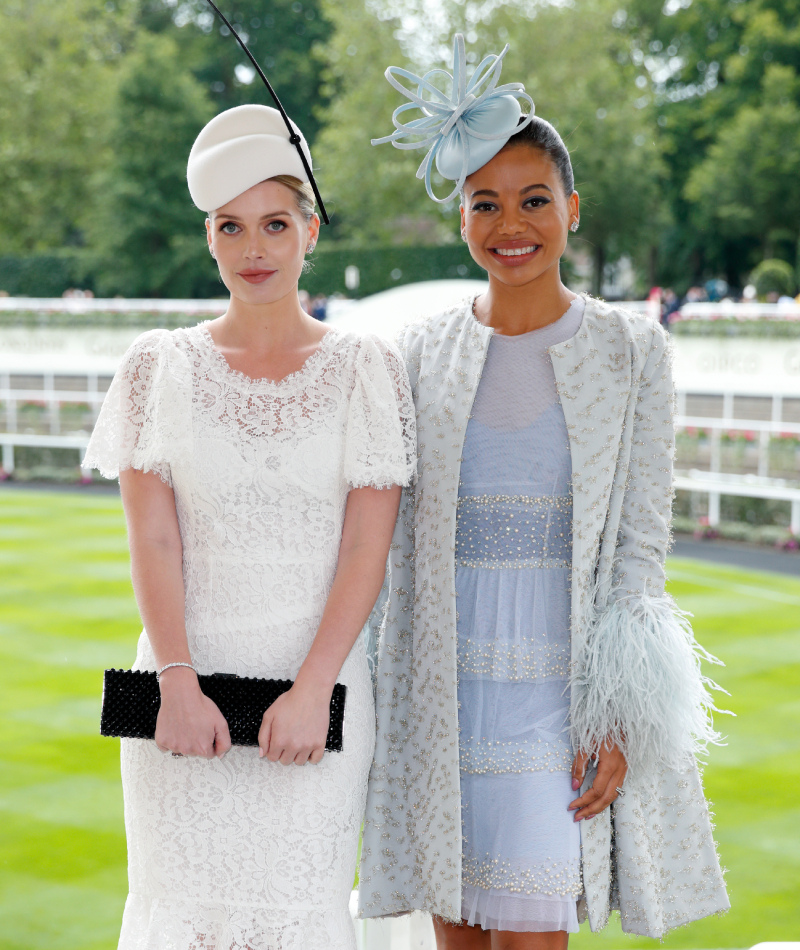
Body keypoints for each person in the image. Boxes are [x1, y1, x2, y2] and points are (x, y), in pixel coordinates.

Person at [359, 35, 729, 946]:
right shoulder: (419, 352)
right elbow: (391, 537)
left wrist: (623, 715)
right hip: (443, 690)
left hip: (557, 698)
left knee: (532, 933)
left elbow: (640, 550)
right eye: (484, 204)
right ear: (461, 220)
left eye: (532, 201)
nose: (508, 223)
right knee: (457, 935)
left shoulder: (632, 349)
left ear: (570, 209)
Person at [84, 104, 416, 949]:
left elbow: (365, 549)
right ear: (210, 239)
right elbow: (153, 541)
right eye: (231, 228)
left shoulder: (365, 369)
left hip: (317, 700)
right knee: (180, 919)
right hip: (179, 697)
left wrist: (314, 690)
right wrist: (177, 681)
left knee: (296, 919)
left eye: (274, 223)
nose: (254, 248)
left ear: (311, 230)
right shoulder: (156, 368)